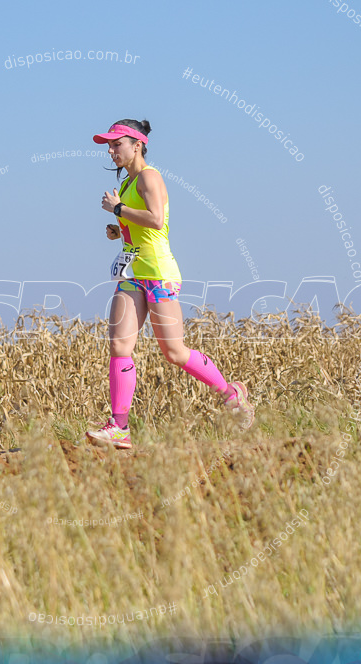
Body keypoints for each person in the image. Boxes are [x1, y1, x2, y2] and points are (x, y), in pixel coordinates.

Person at [85, 119, 255, 449]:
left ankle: (231, 394)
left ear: (137, 144)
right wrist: (118, 229)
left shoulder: (150, 176)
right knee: (120, 346)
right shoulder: (127, 184)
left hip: (159, 273)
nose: (110, 151)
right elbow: (141, 227)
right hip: (132, 274)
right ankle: (119, 427)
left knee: (174, 352)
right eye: (109, 145)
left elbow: (157, 220)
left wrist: (118, 208)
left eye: (116, 144)